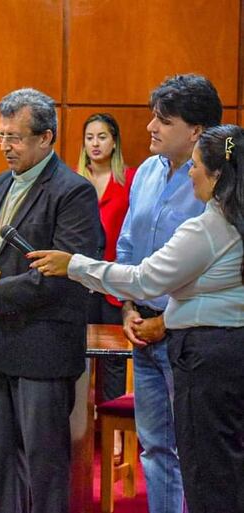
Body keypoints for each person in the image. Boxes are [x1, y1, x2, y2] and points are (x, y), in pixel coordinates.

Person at [28, 123, 244, 513]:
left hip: (207, 356)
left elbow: (146, 278)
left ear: (217, 175)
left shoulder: (210, 226)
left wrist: (74, 264)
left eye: (196, 166)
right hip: (227, 352)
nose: (190, 173)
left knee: (207, 470)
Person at [0, 88, 100, 513]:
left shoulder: (74, 192)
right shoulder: (1, 182)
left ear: (46, 138)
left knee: (45, 466)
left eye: (15, 137)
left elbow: (62, 276)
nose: (5, 147)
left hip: (43, 349)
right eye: (0, 136)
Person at [115, 74, 221, 513]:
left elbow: (219, 271)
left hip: (190, 336)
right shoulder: (145, 173)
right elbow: (126, 248)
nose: (150, 128)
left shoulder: (219, 184)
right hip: (142, 330)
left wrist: (165, 321)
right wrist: (127, 308)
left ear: (196, 131)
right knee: (154, 449)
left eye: (164, 120)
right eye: (152, 118)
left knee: (197, 454)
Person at [77, 114, 137, 415]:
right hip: (80, 280)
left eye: (102, 136)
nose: (95, 143)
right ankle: (83, 425)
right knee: (80, 353)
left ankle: (112, 426)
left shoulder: (131, 180)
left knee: (114, 358)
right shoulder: (74, 182)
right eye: (89, 137)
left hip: (115, 281)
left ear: (114, 142)